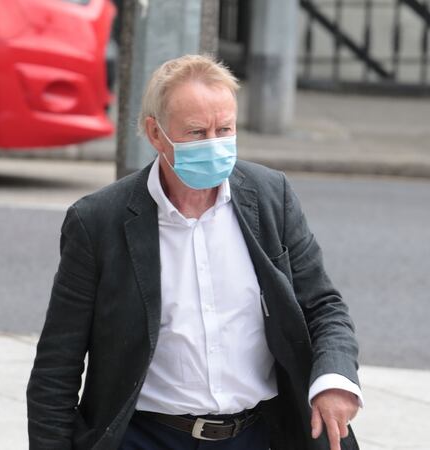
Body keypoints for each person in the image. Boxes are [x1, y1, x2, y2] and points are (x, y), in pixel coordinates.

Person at [27, 54, 361, 450]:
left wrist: (334, 381)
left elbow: (324, 306)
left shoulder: (271, 197)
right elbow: (57, 365)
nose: (215, 144)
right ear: (155, 133)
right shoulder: (98, 221)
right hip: (145, 436)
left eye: (225, 129)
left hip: (256, 434)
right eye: (197, 132)